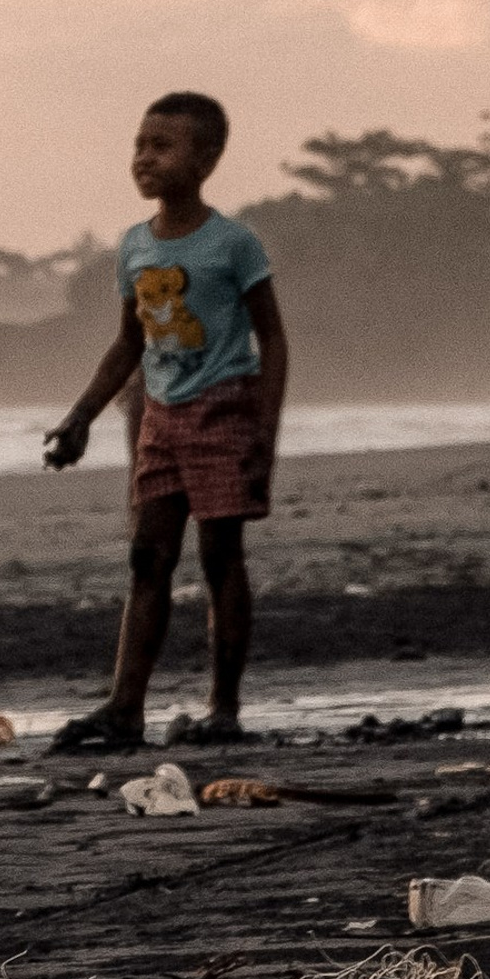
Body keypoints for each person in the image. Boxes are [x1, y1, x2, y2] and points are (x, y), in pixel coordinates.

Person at [41, 90, 287, 752]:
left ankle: (225, 708)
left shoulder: (232, 244)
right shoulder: (134, 247)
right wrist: (81, 417)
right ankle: (125, 708)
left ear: (206, 159)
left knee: (218, 557)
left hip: (225, 411)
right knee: (147, 557)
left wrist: (265, 433)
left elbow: (273, 339)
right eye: (138, 146)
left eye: (162, 146)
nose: (144, 158)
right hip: (158, 415)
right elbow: (129, 342)